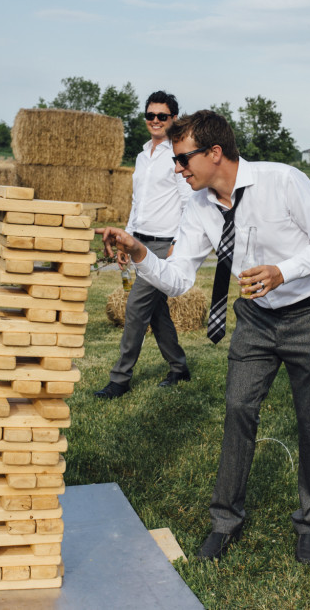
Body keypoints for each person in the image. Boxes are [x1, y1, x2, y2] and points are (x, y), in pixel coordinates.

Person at [97, 110, 310, 564]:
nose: (177, 169)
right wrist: (138, 253)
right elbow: (177, 281)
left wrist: (281, 271)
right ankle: (225, 522)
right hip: (256, 319)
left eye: (182, 159)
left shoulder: (283, 181)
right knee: (237, 409)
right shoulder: (197, 206)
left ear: (215, 153)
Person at [95, 90, 193, 399]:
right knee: (156, 311)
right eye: (150, 115)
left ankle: (120, 379)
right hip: (140, 241)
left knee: (137, 307)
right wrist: (126, 240)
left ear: (173, 119)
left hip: (165, 244)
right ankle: (179, 367)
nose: (155, 121)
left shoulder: (177, 154)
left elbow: (188, 200)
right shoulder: (142, 156)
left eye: (161, 116)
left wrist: (179, 241)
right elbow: (138, 203)